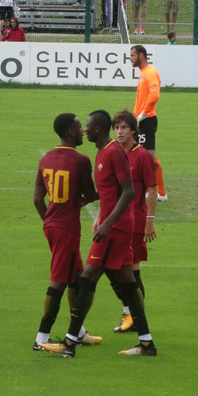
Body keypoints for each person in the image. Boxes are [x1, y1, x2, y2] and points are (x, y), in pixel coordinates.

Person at [38, 110, 157, 358]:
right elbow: (108, 193)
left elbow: (129, 192)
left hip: (115, 230)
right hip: (114, 226)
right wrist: (96, 210)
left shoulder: (114, 152)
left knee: (86, 278)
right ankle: (147, 343)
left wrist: (107, 223)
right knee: (128, 283)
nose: (84, 130)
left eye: (88, 126)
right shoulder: (102, 152)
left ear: (98, 129)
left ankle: (70, 342)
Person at [32, 113, 101, 351]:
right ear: (71, 131)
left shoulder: (46, 159)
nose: (83, 131)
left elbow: (37, 199)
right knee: (59, 280)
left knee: (76, 276)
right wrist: (110, 190)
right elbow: (90, 194)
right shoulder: (81, 160)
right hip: (67, 229)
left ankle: (78, 332)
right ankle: (41, 338)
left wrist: (49, 221)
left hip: (52, 225)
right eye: (80, 127)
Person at [107, 110, 157, 333]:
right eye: (116, 128)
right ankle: (132, 313)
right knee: (117, 269)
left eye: (123, 128)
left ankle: (134, 316)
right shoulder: (115, 153)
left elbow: (153, 189)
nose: (119, 132)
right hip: (117, 220)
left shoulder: (142, 156)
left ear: (133, 131)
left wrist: (150, 221)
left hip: (135, 220)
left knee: (132, 269)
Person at [131, 45, 167, 202]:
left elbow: (154, 95)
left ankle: (162, 193)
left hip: (147, 120)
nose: (130, 59)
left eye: (132, 55)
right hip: (140, 120)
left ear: (141, 56)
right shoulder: (143, 73)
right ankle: (146, 189)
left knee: (150, 157)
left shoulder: (150, 72)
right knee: (140, 155)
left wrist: (143, 114)